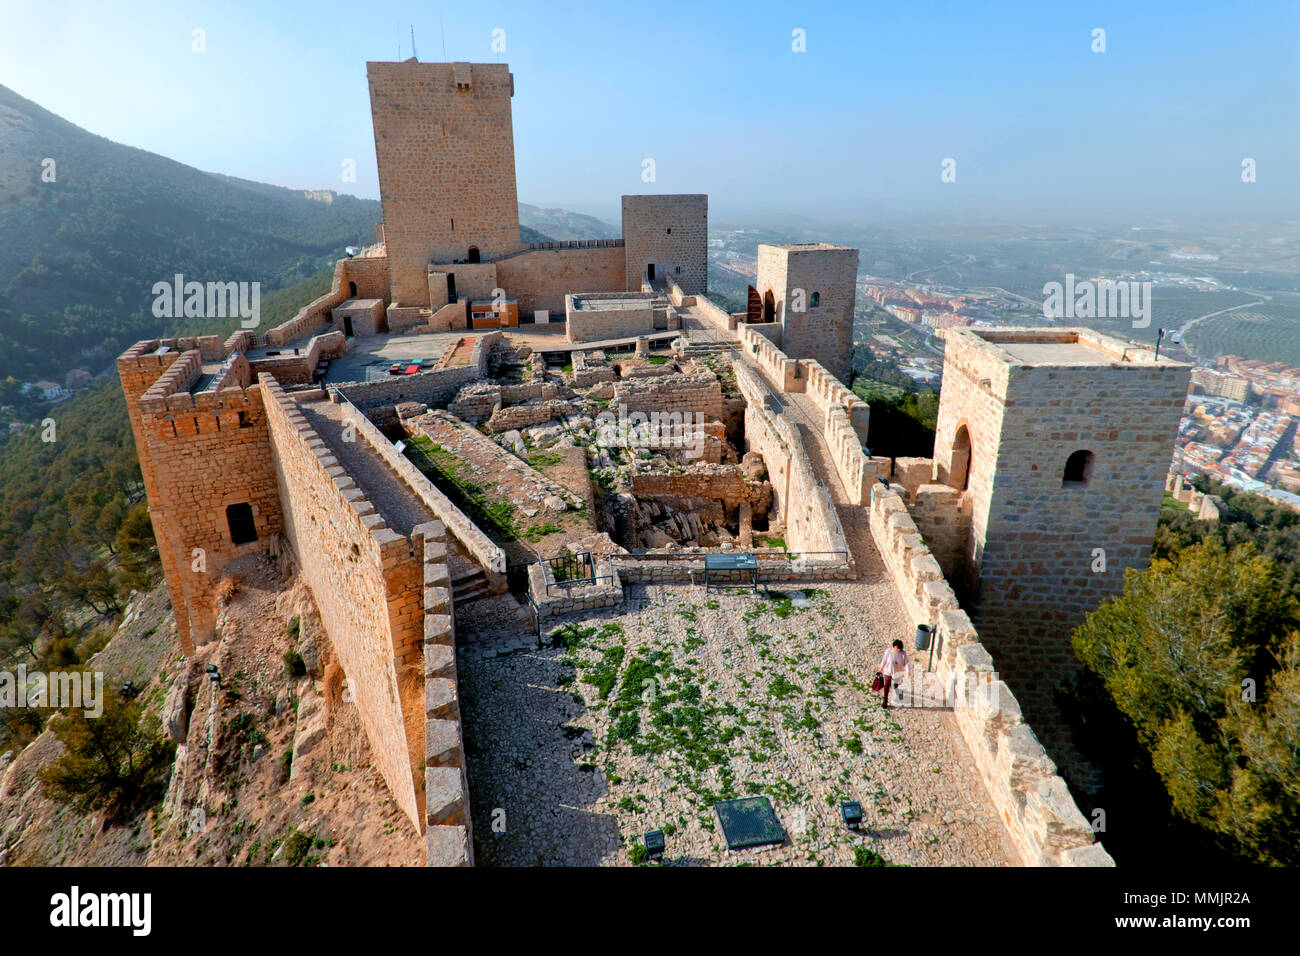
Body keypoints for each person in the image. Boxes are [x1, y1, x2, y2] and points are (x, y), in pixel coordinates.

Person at [878, 639, 909, 709]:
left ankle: (896, 690)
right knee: (886, 685)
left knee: (895, 684)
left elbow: (906, 663)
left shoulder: (903, 653)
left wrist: (908, 671)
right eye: (898, 648)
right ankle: (885, 699)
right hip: (888, 671)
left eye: (900, 649)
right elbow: (884, 660)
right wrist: (880, 668)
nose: (899, 650)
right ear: (894, 647)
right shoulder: (888, 651)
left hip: (897, 672)